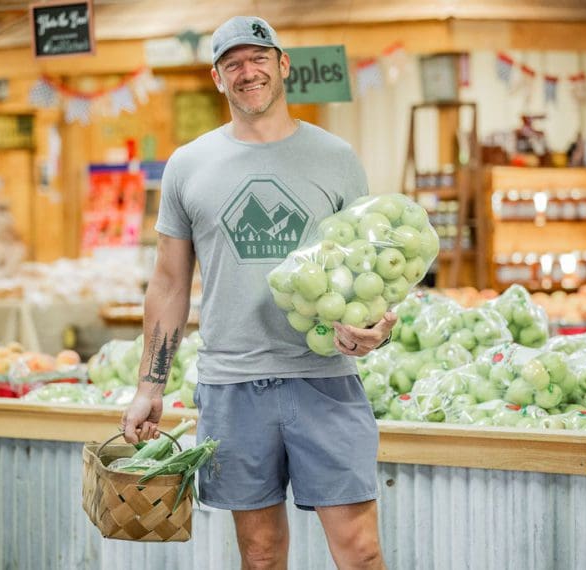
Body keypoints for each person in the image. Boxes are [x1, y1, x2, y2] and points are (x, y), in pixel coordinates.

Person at [122, 15, 395, 570]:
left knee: (361, 551)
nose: (248, 72)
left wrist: (377, 325)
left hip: (325, 381)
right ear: (218, 78)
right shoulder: (188, 165)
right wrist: (149, 385)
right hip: (233, 384)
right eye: (233, 64)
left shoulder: (336, 157)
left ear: (282, 65)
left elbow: (371, 272)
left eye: (258, 59)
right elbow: (171, 281)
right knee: (261, 553)